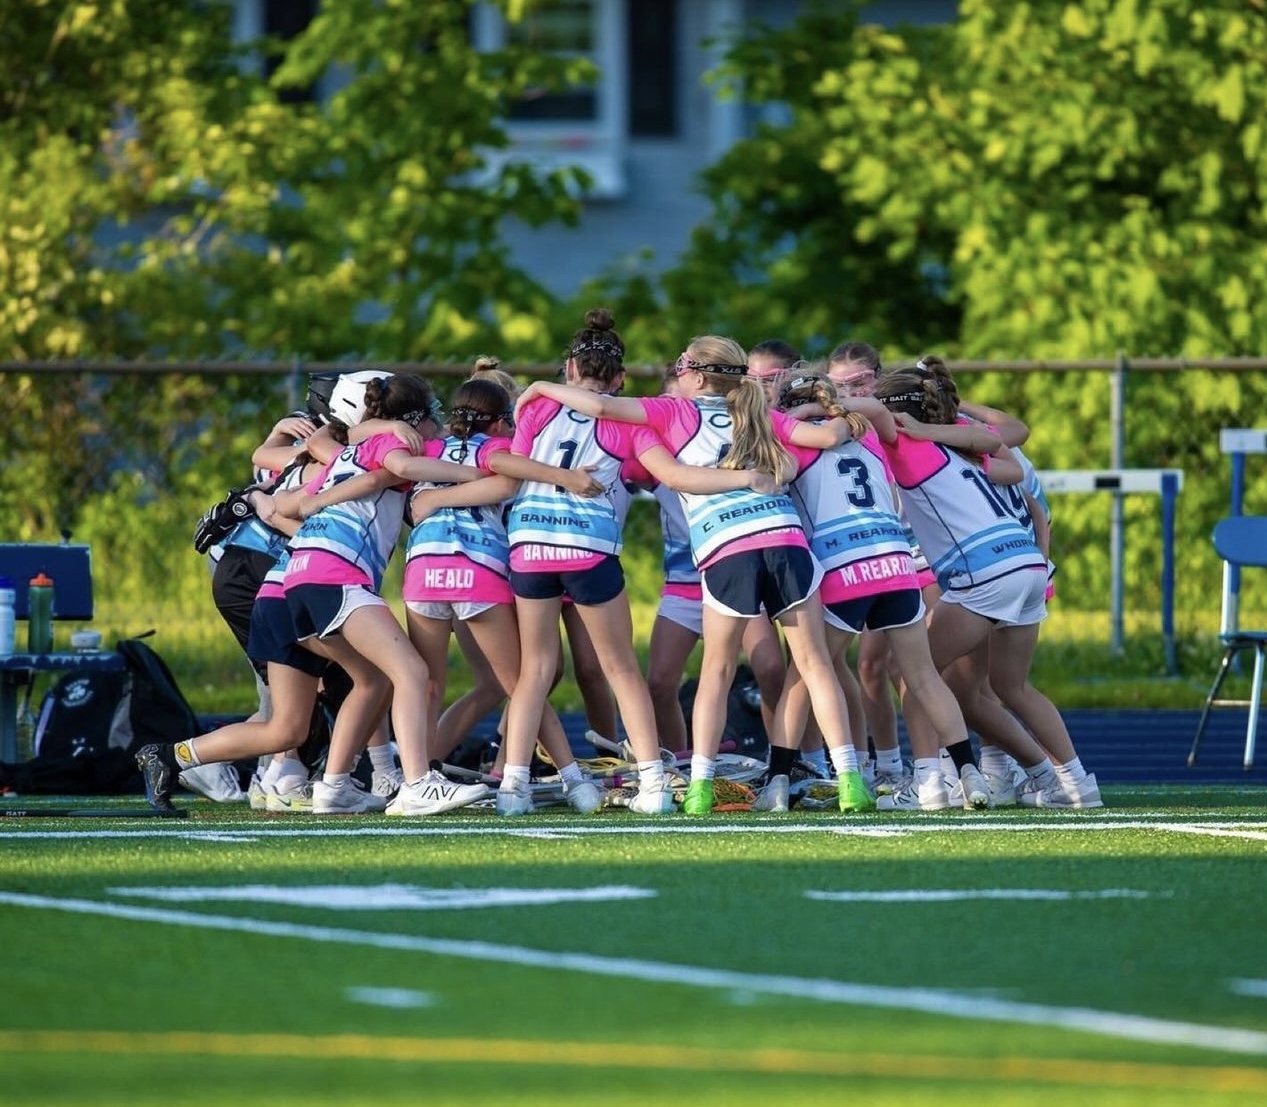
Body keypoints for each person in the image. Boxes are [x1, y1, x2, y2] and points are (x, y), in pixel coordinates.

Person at [517, 333, 873, 817]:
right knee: (815, 666)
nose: (676, 374)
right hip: (787, 543)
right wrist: (834, 413)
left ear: (699, 375)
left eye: (682, 365)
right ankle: (850, 780)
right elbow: (831, 437)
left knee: (716, 672)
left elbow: (601, 410)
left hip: (729, 547)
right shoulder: (760, 414)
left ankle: (701, 786)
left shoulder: (674, 413)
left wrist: (542, 385)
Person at [872, 362, 1101, 808]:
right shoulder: (961, 443)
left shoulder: (904, 444)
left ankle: (928, 784)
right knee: (1012, 687)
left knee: (916, 675)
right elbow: (1002, 448)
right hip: (1029, 567)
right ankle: (1074, 783)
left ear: (894, 414)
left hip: (984, 572)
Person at [763, 367, 989, 812]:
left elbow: (763, 430)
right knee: (923, 676)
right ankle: (968, 774)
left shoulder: (789, 438)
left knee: (804, 674)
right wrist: (828, 406)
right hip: (897, 564)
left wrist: (790, 409)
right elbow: (874, 413)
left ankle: (777, 781)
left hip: (843, 568)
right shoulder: (868, 434)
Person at [398, 375, 612, 813]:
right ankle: (575, 781)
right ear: (498, 423)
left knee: (428, 685)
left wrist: (435, 501)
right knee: (524, 682)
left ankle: (415, 781)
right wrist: (565, 478)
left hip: (422, 569)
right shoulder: (494, 448)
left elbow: (383, 457)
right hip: (476, 567)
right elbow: (507, 481)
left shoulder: (428, 450)